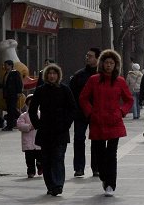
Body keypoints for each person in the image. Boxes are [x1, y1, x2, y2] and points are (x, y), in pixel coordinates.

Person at [79, 49, 133, 197]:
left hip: (114, 121)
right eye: (106, 63)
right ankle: (104, 176)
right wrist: (90, 113)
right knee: (99, 153)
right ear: (101, 64)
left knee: (112, 153)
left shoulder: (120, 81)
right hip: (97, 121)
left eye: (111, 63)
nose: (108, 66)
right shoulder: (93, 80)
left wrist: (122, 111)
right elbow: (83, 98)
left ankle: (111, 183)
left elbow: (129, 100)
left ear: (116, 65)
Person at [30, 63, 77, 196]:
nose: (52, 76)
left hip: (60, 129)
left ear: (58, 75)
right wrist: (37, 124)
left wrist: (66, 123)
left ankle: (58, 184)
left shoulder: (65, 89)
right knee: (46, 159)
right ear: (46, 75)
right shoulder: (40, 90)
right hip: (45, 130)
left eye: (54, 73)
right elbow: (32, 110)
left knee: (58, 157)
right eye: (49, 73)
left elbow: (72, 108)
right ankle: (50, 185)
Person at [69, 47, 100, 177]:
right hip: (81, 114)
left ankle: (96, 167)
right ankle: (79, 167)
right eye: (87, 55)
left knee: (97, 140)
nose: (87, 58)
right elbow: (71, 95)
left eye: (91, 56)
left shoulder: (102, 75)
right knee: (79, 139)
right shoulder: (79, 75)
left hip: (97, 113)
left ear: (98, 58)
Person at [16, 94, 42, 178]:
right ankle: (31, 171)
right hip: (28, 142)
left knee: (40, 158)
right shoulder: (23, 116)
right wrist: (29, 127)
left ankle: (40, 167)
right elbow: (19, 125)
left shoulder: (40, 114)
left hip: (39, 142)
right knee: (29, 160)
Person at [0, 59, 23, 131]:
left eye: (6, 65)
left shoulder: (15, 73)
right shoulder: (6, 73)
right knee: (10, 109)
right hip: (7, 95)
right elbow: (5, 84)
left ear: (10, 65)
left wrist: (19, 92)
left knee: (11, 109)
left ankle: (10, 125)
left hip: (13, 94)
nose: (4, 66)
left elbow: (19, 83)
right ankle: (19, 119)